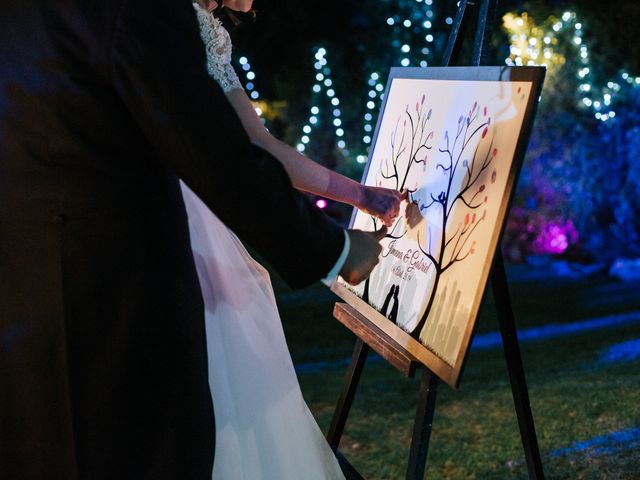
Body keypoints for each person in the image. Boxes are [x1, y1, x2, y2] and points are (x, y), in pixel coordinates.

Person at [0, 0, 386, 478]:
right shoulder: (152, 14)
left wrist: (357, 194)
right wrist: (336, 248)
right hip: (145, 245)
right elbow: (227, 152)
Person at [184, 1, 403, 478]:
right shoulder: (184, 25)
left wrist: (360, 194)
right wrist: (354, 202)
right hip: (185, 227)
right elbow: (257, 148)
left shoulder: (200, 28)